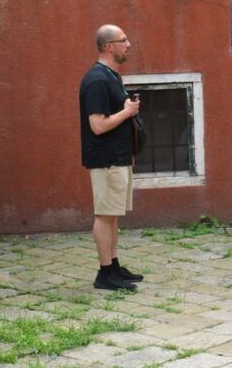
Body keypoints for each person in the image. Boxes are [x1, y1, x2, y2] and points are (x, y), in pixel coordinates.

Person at [79, 24, 144, 291]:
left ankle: (114, 266)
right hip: (105, 160)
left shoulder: (111, 76)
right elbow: (97, 125)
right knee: (105, 215)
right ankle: (105, 273)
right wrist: (127, 113)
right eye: (123, 40)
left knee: (113, 214)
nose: (129, 44)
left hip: (118, 157)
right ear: (109, 47)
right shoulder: (97, 80)